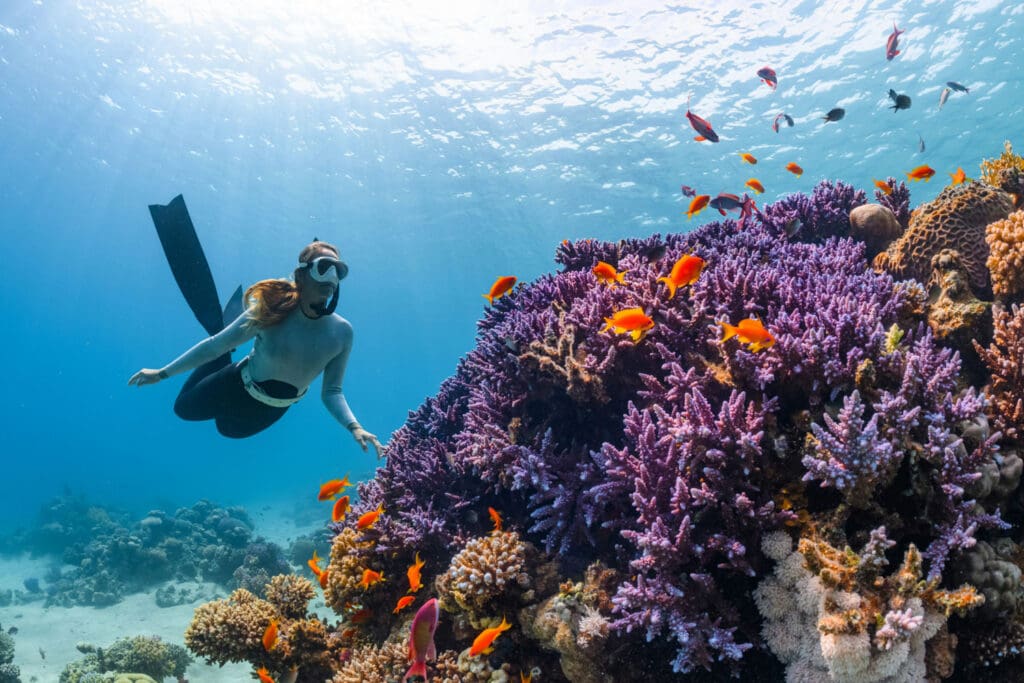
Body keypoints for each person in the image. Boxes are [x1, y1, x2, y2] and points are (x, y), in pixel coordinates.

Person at [128, 195, 383, 456]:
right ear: (301, 275)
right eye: (324, 267)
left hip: (275, 407)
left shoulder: (342, 333)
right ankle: (228, 340)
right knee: (183, 409)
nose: (331, 277)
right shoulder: (272, 309)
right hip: (236, 383)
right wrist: (161, 373)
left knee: (227, 430)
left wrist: (355, 427)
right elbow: (214, 346)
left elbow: (332, 391)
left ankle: (231, 342)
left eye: (338, 271)